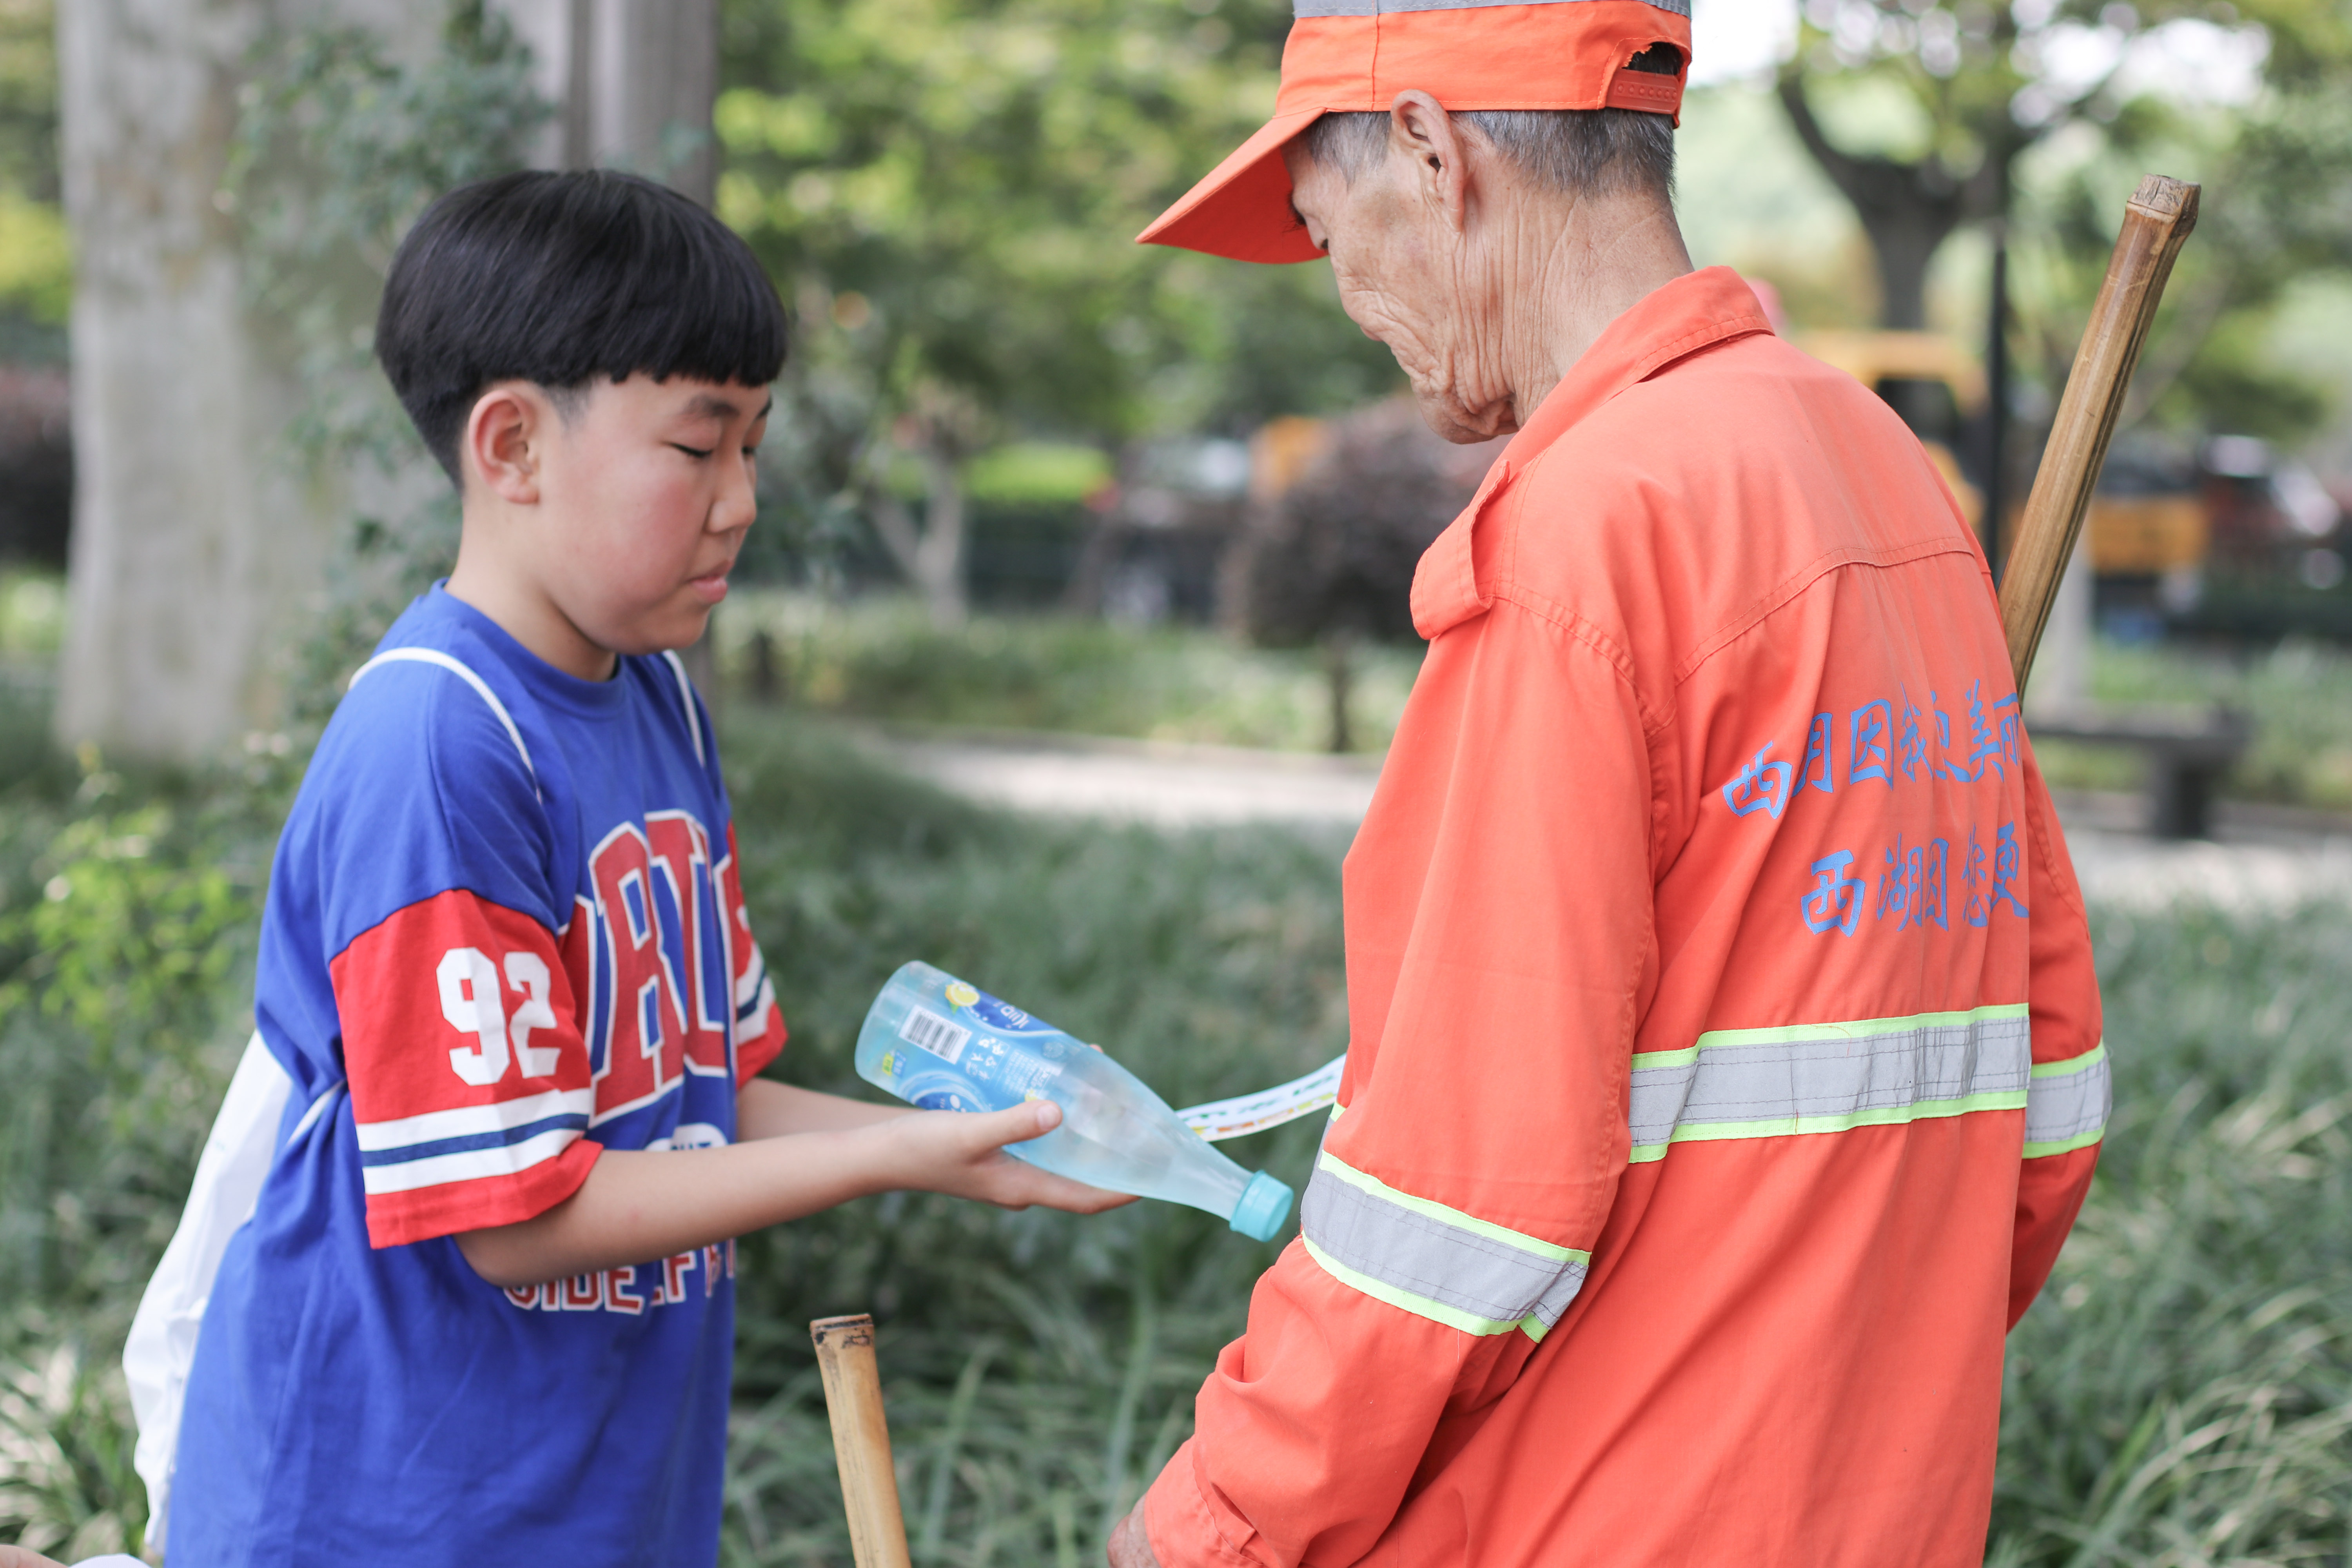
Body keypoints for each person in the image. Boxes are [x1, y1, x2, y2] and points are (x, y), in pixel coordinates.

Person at [1108, 2, 2106, 1564]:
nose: (1347, 297)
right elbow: (2044, 1106)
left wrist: (1213, 1528)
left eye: (1324, 226)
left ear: (1431, 151)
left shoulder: (1582, 541)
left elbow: (1450, 1210)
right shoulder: (1883, 477)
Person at [163, 170, 1125, 1568]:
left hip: (597, 1505)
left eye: (755, 447)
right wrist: (896, 1156)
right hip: (390, 1520)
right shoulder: (442, 741)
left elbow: (704, 1102)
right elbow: (518, 1215)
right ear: (512, 445)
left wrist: (980, 1147)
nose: (742, 502)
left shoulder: (659, 700)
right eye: (698, 447)